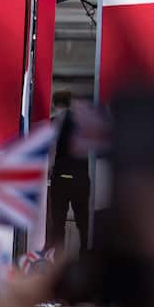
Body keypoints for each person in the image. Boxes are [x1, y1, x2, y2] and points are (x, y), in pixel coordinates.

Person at [46, 90, 90, 255]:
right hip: (81, 178)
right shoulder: (83, 123)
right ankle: (85, 256)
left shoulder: (53, 123)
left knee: (58, 222)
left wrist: (48, 170)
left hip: (61, 178)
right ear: (70, 103)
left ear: (54, 104)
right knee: (83, 222)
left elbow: (50, 151)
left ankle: (58, 260)